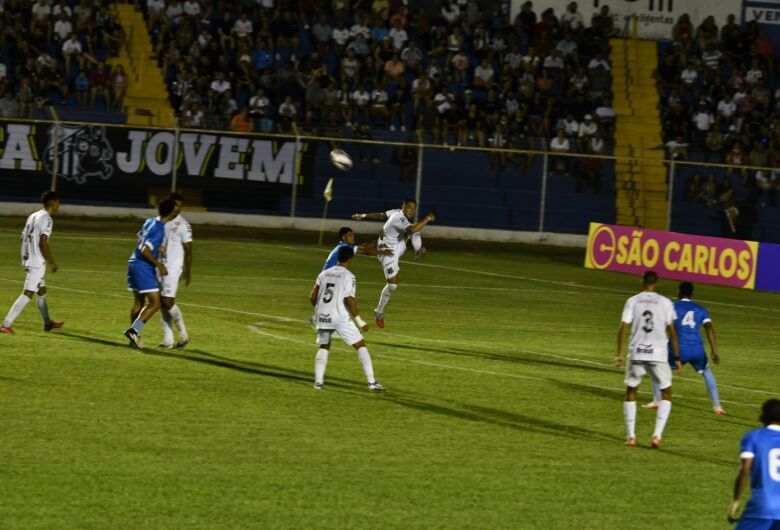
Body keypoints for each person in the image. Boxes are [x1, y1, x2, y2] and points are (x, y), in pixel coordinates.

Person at [615, 271, 681, 449]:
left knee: (631, 390)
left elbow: (622, 329)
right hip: (658, 354)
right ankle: (657, 436)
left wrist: (619, 354)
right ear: (657, 283)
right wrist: (677, 357)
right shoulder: (666, 303)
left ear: (642, 282)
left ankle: (631, 437)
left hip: (637, 352)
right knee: (666, 392)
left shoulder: (633, 300)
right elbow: (673, 332)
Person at [309, 246, 385, 392]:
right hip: (339, 316)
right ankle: (372, 383)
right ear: (350, 258)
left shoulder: (323, 274)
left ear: (337, 257)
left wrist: (321, 311)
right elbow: (350, 300)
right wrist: (360, 321)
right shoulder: (349, 276)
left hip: (321, 314)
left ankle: (318, 383)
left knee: (324, 345)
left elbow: (312, 297)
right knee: (360, 344)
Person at [351, 199, 435, 328]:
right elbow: (411, 230)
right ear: (403, 207)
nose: (412, 211)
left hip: (398, 245)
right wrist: (428, 218)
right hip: (388, 252)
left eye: (414, 209)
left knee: (415, 229)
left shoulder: (395, 212)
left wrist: (363, 215)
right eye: (409, 208)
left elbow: (380, 215)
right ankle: (379, 312)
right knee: (393, 286)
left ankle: (417, 250)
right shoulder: (399, 218)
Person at [645, 281, 725, 415]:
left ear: (678, 292)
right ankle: (717, 406)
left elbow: (664, 326)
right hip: (697, 349)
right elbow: (709, 327)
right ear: (692, 294)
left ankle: (657, 401)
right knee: (706, 371)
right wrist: (714, 350)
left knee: (655, 366)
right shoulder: (700, 309)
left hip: (678, 348)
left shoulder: (672, 307)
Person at [1, 191, 64, 334]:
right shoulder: (47, 219)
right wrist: (52, 261)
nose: (59, 205)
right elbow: (43, 242)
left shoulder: (33, 215)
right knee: (28, 293)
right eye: (57, 202)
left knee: (41, 291)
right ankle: (5, 325)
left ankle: (48, 323)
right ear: (51, 202)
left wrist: (25, 256)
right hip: (37, 261)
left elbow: (22, 237)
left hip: (29, 258)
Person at [124, 199, 178, 348]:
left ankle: (133, 340)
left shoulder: (150, 221)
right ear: (171, 212)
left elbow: (141, 238)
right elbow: (145, 251)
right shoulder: (160, 229)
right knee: (156, 303)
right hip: (143, 266)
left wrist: (157, 248)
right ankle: (134, 330)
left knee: (138, 303)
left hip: (133, 262)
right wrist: (159, 264)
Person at [727, 399, 780, 528]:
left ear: (762, 417)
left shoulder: (753, 437)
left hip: (763, 505)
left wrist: (736, 500)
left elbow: (745, 469)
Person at [158, 193, 192, 349]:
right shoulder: (162, 221)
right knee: (162, 303)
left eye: (180, 205)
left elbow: (188, 250)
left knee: (168, 301)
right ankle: (168, 340)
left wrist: (187, 271)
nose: (178, 208)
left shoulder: (183, 225)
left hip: (173, 268)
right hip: (160, 266)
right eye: (175, 205)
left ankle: (184, 335)